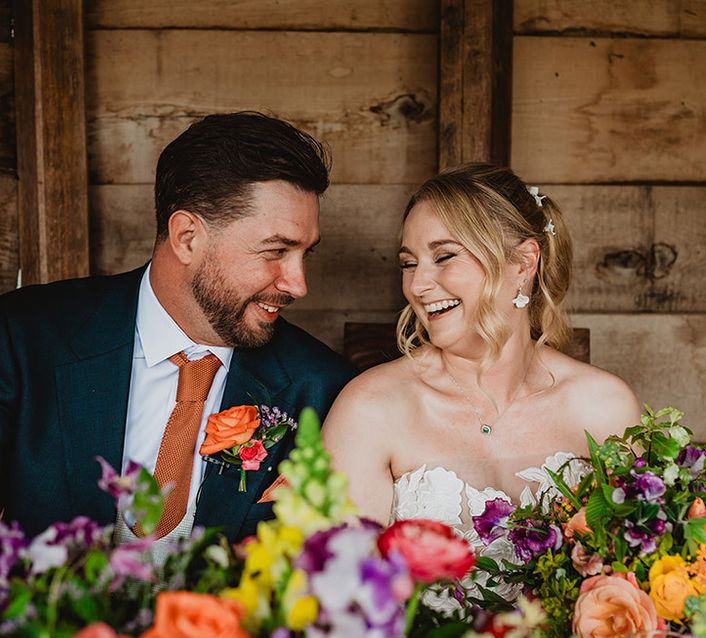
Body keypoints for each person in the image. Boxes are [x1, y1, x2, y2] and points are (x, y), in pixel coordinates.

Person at [0, 112, 355, 544]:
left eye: (305, 253)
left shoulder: (322, 388)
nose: (298, 284)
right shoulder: (22, 338)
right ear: (187, 237)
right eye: (276, 250)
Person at [323, 163, 640, 533]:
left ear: (523, 264)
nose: (418, 285)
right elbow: (342, 581)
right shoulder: (370, 409)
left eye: (444, 257)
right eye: (409, 264)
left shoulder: (604, 407)